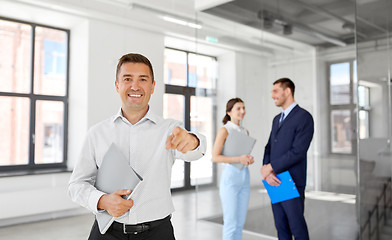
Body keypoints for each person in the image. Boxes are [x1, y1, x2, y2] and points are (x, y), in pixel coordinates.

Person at [68, 53, 206, 240]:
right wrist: (102, 201)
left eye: (143, 79)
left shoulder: (170, 130)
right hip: (107, 232)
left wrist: (193, 141)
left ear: (152, 86)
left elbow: (196, 152)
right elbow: (76, 185)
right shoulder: (97, 133)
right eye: (127, 79)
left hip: (158, 233)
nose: (135, 86)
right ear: (117, 85)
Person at [261, 78, 314, 240]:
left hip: (291, 180)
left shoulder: (304, 117)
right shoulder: (277, 119)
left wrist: (270, 167)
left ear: (288, 91)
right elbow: (269, 147)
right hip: (274, 180)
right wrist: (267, 171)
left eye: (275, 91)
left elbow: (298, 151)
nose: (272, 96)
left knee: (297, 228)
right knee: (281, 228)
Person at [212, 98, 255, 240]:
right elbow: (215, 157)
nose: (243, 111)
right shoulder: (225, 130)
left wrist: (248, 159)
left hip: (244, 177)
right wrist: (239, 159)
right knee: (231, 223)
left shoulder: (245, 131)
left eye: (244, 108)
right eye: (238, 108)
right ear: (229, 112)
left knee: (239, 223)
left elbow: (242, 155)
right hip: (230, 179)